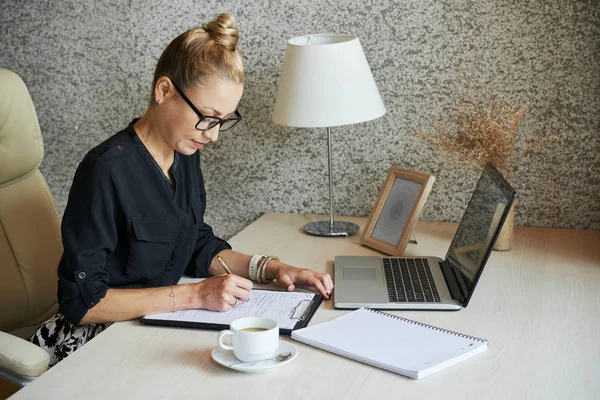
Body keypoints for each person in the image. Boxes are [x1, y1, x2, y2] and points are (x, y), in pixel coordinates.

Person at [30, 13, 333, 367]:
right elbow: (82, 303)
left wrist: (273, 268)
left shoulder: (185, 155)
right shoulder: (105, 171)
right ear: (164, 91)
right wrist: (195, 295)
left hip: (154, 326)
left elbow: (195, 245)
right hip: (92, 341)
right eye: (207, 117)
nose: (213, 134)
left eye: (223, 121)